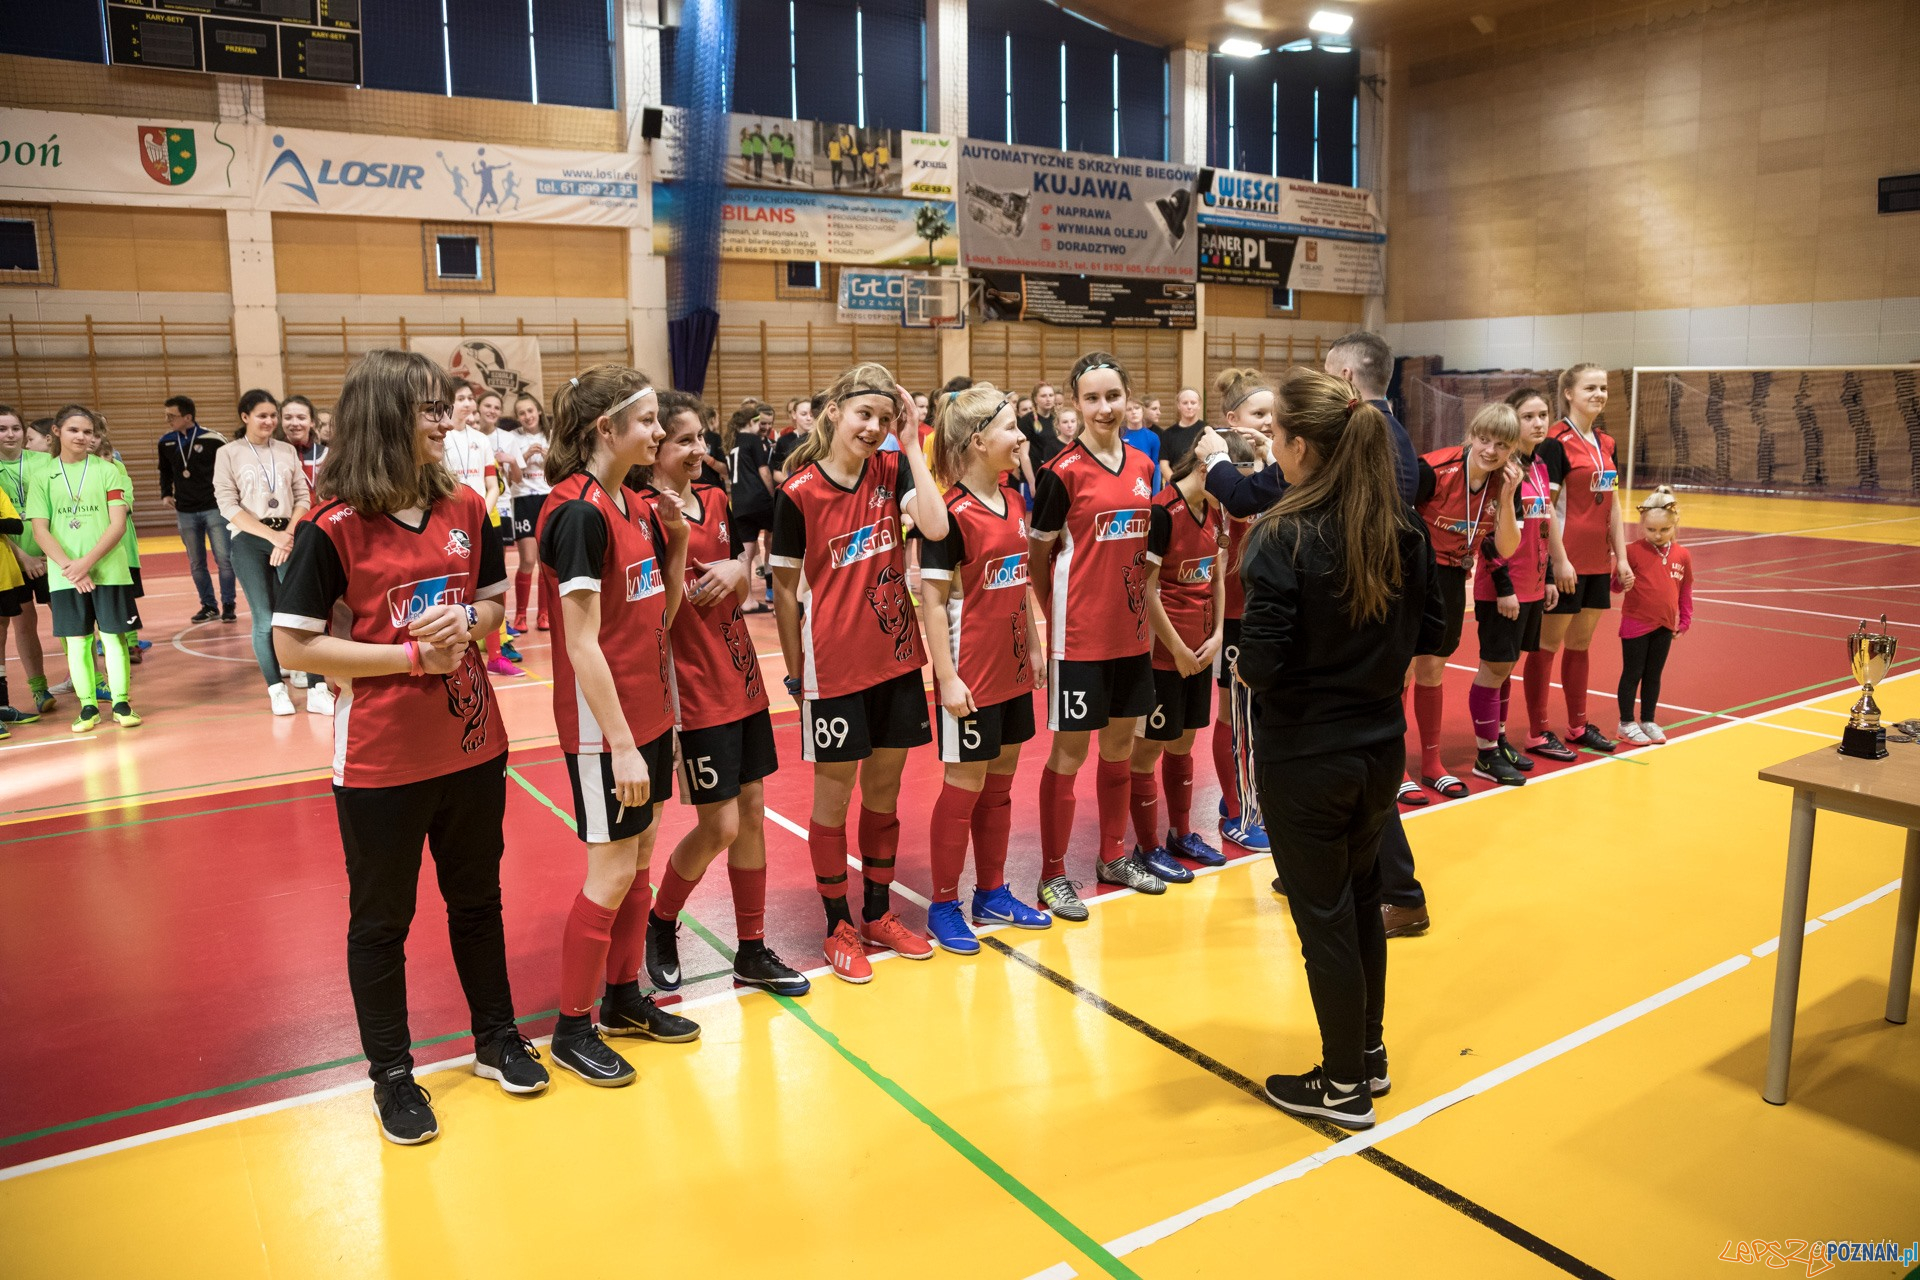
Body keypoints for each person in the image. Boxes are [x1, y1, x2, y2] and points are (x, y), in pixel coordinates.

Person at [272, 348, 549, 1145]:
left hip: (473, 744)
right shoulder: (334, 527)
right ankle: (392, 1076)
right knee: (382, 923)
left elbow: (494, 604)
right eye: (428, 407)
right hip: (381, 762)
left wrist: (471, 625)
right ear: (385, 417)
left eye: (446, 405)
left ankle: (496, 1037)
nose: (444, 419)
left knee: (478, 900)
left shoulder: (465, 504)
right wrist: (404, 658)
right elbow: (293, 645)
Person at [1237, 367, 1445, 1130]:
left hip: (1306, 759)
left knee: (1326, 919)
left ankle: (1343, 1085)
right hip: (1377, 749)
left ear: (1297, 446)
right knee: (1360, 904)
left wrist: (1244, 660)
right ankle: (1369, 1055)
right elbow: (1436, 636)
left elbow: (1260, 663)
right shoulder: (1403, 527)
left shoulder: (1282, 534)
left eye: (1277, 437)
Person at [536, 365, 702, 1087]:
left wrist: (678, 543)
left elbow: (658, 622)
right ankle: (573, 1029)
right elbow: (581, 643)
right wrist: (626, 746)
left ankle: (625, 997)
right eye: (646, 423)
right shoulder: (577, 514)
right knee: (609, 873)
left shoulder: (634, 504)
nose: (659, 434)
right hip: (607, 733)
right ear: (606, 429)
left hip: (648, 716)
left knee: (638, 866)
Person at [770, 362, 947, 983]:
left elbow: (934, 526)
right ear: (835, 413)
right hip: (834, 669)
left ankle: (877, 913)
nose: (872, 428)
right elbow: (786, 591)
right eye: (862, 415)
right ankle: (836, 924)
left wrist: (915, 441)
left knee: (884, 793)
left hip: (897, 662)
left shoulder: (892, 468)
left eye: (882, 418)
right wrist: (796, 674)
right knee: (832, 798)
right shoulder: (797, 493)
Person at [639, 392, 810, 996]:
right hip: (691, 689)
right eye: (685, 440)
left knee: (754, 816)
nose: (699, 451)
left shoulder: (714, 498)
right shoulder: (639, 514)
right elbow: (650, 614)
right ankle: (661, 922)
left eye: (702, 439)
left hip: (741, 677)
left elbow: (738, 570)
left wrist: (743, 570)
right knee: (720, 826)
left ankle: (752, 950)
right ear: (654, 444)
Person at [1028, 351, 1170, 920]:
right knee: (1069, 751)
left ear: (1127, 397)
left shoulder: (1143, 464)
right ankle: (1053, 874)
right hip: (1080, 638)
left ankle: (1114, 857)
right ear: (1075, 403)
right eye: (1092, 398)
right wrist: (1059, 615)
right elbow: (1039, 559)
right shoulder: (1059, 472)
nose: (1104, 408)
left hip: (1133, 635)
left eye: (1113, 396)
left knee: (1119, 748)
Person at [918, 386, 1054, 955]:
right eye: (1011, 428)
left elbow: (1019, 580)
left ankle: (992, 891)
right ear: (977, 441)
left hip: (1013, 668)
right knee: (964, 786)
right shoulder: (948, 515)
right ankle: (944, 903)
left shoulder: (1015, 501)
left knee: (1000, 785)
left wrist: (1037, 641)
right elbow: (930, 600)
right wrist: (945, 677)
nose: (1022, 437)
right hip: (970, 674)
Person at [1408, 404, 1521, 798]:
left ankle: (1432, 763)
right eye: (1485, 439)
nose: (1491, 450)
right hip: (1413, 572)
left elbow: (1506, 546)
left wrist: (1506, 499)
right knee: (1401, 670)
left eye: (1502, 445)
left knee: (1433, 668)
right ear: (1472, 434)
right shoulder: (1432, 470)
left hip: (1453, 576)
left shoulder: (1505, 483)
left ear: (1511, 451)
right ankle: (1393, 768)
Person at [1131, 447, 1228, 881]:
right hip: (1164, 655)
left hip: (1203, 648)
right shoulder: (1163, 512)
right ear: (1206, 467)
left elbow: (1217, 577)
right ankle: (1146, 845)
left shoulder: (1217, 509)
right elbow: (1147, 591)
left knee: (1184, 743)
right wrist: (1178, 650)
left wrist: (1219, 634)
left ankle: (1181, 832)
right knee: (1148, 748)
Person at [1528, 363, 1632, 757]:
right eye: (1590, 387)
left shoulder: (1607, 442)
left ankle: (1576, 724)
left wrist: (1620, 557)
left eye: (1603, 387)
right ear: (1568, 393)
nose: (1599, 394)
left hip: (1596, 562)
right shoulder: (1554, 442)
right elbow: (1547, 508)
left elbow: (1615, 506)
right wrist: (1557, 564)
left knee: (1581, 643)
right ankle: (1537, 731)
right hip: (1565, 563)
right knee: (1546, 645)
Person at [25, 406, 141, 731]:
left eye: (88, 432)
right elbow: (40, 530)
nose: (82, 437)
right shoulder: (42, 476)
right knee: (77, 641)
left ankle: (121, 701)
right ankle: (88, 706)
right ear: (57, 432)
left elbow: (118, 525)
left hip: (108, 570)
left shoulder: (108, 471)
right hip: (65, 577)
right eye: (75, 430)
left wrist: (85, 564)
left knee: (114, 637)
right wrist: (69, 568)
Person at [216, 390, 328, 717]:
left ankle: (317, 686)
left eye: (272, 416)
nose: (269, 421)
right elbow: (227, 505)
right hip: (249, 538)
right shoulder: (228, 453)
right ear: (245, 417)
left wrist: (288, 535)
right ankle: (276, 690)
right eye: (262, 415)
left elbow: (302, 498)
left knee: (302, 611)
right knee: (265, 617)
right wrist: (273, 537)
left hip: (290, 535)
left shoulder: (286, 450)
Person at [1477, 387, 1564, 776]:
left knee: (1507, 667)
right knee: (1493, 668)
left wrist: (1546, 577)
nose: (1538, 422)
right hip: (1503, 588)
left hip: (1532, 584)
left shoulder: (1540, 467)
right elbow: (1487, 538)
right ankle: (1485, 753)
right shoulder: (1501, 470)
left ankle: (1499, 741)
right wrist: (1506, 587)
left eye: (1543, 414)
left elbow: (1541, 527)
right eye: (1528, 416)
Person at [1204, 370, 1271, 852]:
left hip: (1271, 610)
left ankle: (1256, 798)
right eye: (1259, 414)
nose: (1270, 423)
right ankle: (1235, 806)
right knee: (1233, 711)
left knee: (1260, 713)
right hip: (1233, 614)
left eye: (1275, 415)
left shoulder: (1278, 468)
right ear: (1232, 420)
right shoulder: (1218, 476)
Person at [442, 386, 522, 678]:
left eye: (468, 399)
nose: (466, 403)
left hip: (483, 520)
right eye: (460, 398)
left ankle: (497, 655)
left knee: (489, 588)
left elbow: (492, 486)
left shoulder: (481, 440)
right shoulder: (442, 436)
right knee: (457, 588)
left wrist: (479, 516)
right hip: (451, 522)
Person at [1615, 487, 1692, 746]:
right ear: (1642, 527)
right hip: (1636, 624)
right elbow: (1614, 585)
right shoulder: (1632, 551)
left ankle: (1648, 719)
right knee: (1633, 672)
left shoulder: (1683, 554)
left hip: (1664, 625)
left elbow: (1686, 589)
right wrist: (1621, 580)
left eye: (1664, 530)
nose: (1657, 535)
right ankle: (1626, 723)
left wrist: (1685, 619)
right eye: (1651, 530)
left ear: (1674, 526)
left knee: (1653, 674)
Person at [158, 394, 235, 625]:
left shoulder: (214, 439)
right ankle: (209, 605)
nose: (168, 420)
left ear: (188, 416)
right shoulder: (166, 442)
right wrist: (166, 493)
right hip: (185, 511)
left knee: (224, 559)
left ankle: (229, 605)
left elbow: (231, 469)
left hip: (214, 508)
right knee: (196, 562)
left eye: (172, 416)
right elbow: (164, 471)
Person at [1, 405, 56, 715]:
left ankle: (91, 680)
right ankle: (39, 689)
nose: (10, 434)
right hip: (14, 561)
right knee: (24, 625)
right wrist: (22, 556)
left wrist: (51, 554)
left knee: (69, 621)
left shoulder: (44, 461)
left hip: (51, 558)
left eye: (15, 428)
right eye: (2, 429)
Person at [505, 392, 551, 633]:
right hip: (523, 499)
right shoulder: (512, 437)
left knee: (545, 561)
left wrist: (548, 457)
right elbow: (509, 471)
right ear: (517, 417)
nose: (527, 416)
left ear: (538, 411)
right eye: (522, 413)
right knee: (528, 560)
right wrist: (522, 457)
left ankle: (544, 614)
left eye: (530, 411)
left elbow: (560, 468)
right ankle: (520, 615)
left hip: (548, 498)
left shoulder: (551, 436)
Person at [727, 406, 775, 612]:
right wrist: (773, 494)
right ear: (751, 423)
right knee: (776, 541)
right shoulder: (754, 440)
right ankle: (778, 592)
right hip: (758, 498)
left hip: (739, 501)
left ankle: (746, 600)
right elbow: (763, 471)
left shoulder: (732, 443)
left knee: (746, 553)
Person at [1157, 387, 1206, 487]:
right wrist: (1177, 485)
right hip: (1176, 485)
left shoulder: (1207, 430)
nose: (1189, 406)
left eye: (1193, 403)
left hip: (1202, 484)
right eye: (1185, 403)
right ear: (1178, 406)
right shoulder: (1168, 434)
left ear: (1199, 405)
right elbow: (1164, 465)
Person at [281, 395, 327, 491]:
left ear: (312, 422)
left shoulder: (327, 455)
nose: (294, 423)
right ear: (281, 421)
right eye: (288, 418)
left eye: (301, 418)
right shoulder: (272, 454)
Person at [1123, 400, 1163, 493]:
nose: (1133, 412)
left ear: (1142, 411)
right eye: (1129, 409)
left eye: (1137, 408)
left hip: (1144, 487)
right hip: (1123, 486)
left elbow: (1156, 468)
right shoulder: (1118, 435)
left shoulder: (1153, 437)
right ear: (1124, 413)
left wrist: (1155, 495)